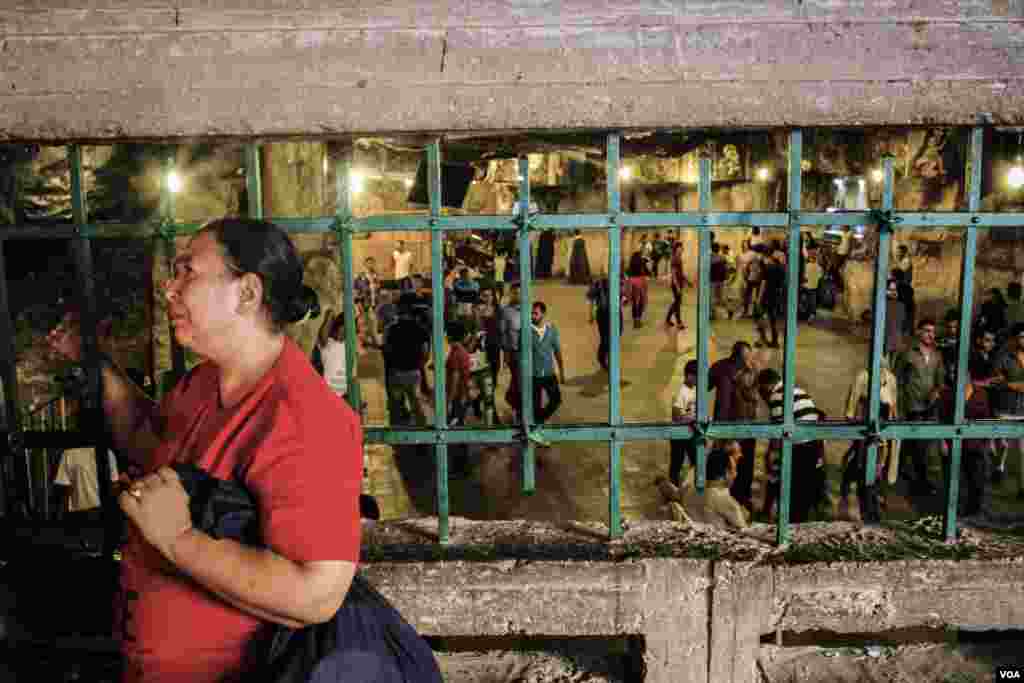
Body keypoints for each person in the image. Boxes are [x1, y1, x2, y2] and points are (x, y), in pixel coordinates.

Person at [48, 218, 363, 682]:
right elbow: (147, 440)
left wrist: (178, 539)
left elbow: (316, 594)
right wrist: (102, 369)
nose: (170, 289)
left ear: (247, 293)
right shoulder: (204, 382)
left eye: (187, 272)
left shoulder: (304, 417)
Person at [758, 368, 826, 523]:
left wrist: (770, 456)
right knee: (803, 491)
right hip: (812, 444)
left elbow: (778, 432)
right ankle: (800, 524)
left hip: (799, 447)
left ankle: (792, 526)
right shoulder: (797, 390)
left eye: (761, 389)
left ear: (766, 385)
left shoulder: (777, 396)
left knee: (794, 493)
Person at [841, 356, 900, 522]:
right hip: (866, 428)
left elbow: (894, 404)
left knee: (879, 468)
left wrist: (894, 427)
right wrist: (852, 422)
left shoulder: (891, 379)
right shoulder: (863, 376)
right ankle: (867, 508)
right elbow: (852, 404)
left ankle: (873, 506)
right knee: (863, 467)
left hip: (884, 430)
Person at [893, 318, 945, 496]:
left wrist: (936, 392)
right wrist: (897, 407)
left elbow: (940, 382)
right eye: (927, 330)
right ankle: (916, 481)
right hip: (911, 407)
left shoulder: (937, 356)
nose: (931, 334)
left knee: (921, 446)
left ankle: (910, 478)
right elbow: (896, 381)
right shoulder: (908, 354)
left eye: (933, 331)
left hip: (929, 408)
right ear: (919, 332)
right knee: (915, 445)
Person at [939, 364, 994, 519]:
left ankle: (974, 512)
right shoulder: (947, 394)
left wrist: (989, 441)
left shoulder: (981, 394)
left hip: (975, 443)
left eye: (959, 373)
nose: (955, 376)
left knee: (976, 479)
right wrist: (942, 442)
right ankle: (954, 512)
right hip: (953, 444)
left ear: (968, 376)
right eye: (952, 373)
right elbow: (941, 419)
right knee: (954, 479)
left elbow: (987, 418)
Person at [657, 443, 750, 530]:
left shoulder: (688, 491)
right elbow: (743, 530)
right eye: (733, 470)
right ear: (725, 473)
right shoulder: (726, 500)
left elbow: (674, 495)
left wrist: (664, 484)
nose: (736, 474)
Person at [384, 293, 430, 426]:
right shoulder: (421, 329)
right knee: (417, 407)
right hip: (414, 372)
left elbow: (387, 351)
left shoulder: (391, 329)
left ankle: (397, 439)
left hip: (396, 372)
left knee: (396, 408)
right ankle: (423, 438)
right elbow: (425, 354)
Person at [993, 323, 1024, 500]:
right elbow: (997, 381)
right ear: (1014, 339)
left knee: (1022, 451)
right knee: (1002, 446)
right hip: (1005, 408)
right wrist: (1014, 385)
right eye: (1021, 336)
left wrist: (1014, 385)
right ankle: (999, 468)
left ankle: (1022, 487)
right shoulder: (1004, 357)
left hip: (1023, 409)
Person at [54, 447, 119, 524]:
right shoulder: (107, 452)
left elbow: (64, 487)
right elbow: (114, 484)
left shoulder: (69, 454)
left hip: (80, 511)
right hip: (100, 510)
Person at [530, 301, 565, 429]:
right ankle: (537, 429)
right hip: (533, 375)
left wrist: (561, 372)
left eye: (535, 313)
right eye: (531, 313)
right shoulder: (526, 331)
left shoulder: (551, 329)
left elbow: (557, 351)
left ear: (543, 314)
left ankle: (539, 422)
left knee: (556, 400)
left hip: (549, 374)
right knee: (535, 406)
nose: (532, 316)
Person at [669, 360, 698, 487]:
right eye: (698, 376)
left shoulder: (694, 389)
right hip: (679, 433)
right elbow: (676, 415)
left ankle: (689, 487)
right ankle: (673, 487)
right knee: (677, 463)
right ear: (689, 375)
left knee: (696, 461)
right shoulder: (681, 392)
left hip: (690, 432)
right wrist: (691, 419)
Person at [588, 275, 625, 373]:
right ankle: (602, 358)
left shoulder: (618, 279)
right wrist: (590, 314)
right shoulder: (598, 283)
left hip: (616, 312)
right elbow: (591, 298)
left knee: (617, 334)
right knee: (605, 338)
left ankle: (605, 356)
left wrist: (623, 299)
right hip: (603, 313)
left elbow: (623, 294)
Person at [499, 282, 523, 422]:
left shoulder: (529, 308)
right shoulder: (506, 311)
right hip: (514, 353)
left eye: (520, 292)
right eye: (515, 292)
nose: (517, 294)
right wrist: (506, 356)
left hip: (528, 352)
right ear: (511, 294)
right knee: (518, 382)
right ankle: (517, 411)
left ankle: (514, 403)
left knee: (523, 382)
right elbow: (503, 334)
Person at [755, 247, 785, 348]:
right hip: (777, 295)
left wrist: (759, 298)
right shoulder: (782, 268)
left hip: (766, 295)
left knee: (760, 316)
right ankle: (775, 341)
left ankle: (762, 339)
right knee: (773, 318)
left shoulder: (768, 268)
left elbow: (763, 283)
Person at [353, 256, 379, 348]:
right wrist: (358, 304)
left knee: (372, 323)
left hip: (374, 304)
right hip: (363, 305)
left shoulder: (376, 275)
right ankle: (372, 343)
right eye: (369, 263)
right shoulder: (360, 276)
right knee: (365, 325)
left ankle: (371, 343)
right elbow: (355, 291)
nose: (371, 265)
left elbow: (377, 291)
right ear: (365, 264)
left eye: (372, 263)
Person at [665, 241, 688, 328]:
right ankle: (678, 322)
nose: (682, 248)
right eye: (681, 247)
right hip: (676, 284)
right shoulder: (675, 258)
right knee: (677, 303)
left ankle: (668, 320)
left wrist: (687, 281)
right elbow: (674, 274)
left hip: (679, 283)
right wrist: (677, 286)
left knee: (677, 302)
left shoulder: (678, 258)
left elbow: (680, 273)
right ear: (677, 248)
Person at [626, 251, 649, 328]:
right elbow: (646, 273)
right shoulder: (641, 264)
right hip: (640, 282)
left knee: (634, 303)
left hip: (632, 283)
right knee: (641, 302)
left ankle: (635, 321)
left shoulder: (631, 265)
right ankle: (638, 320)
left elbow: (627, 274)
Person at [709, 243, 730, 320]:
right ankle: (728, 310)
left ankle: (712, 313)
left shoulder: (710, 258)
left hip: (713, 280)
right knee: (721, 298)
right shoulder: (722, 257)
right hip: (720, 280)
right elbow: (726, 268)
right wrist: (727, 278)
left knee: (713, 297)